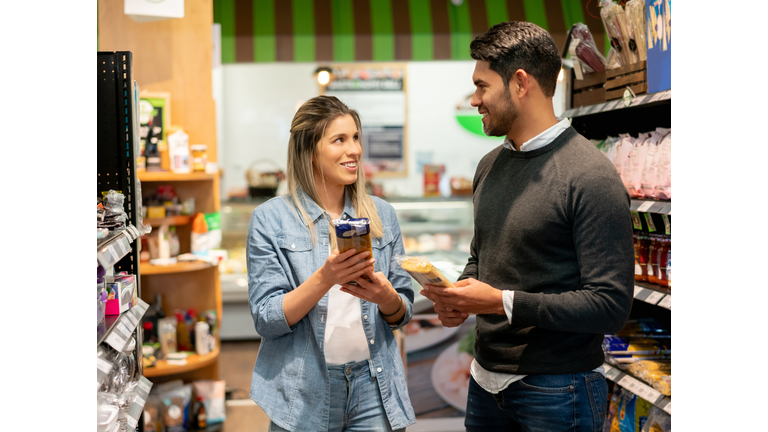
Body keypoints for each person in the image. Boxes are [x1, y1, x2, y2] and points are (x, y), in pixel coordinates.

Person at [420, 21, 634, 432]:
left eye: (482, 87)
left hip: (558, 390)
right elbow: (481, 257)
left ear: (520, 83)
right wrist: (459, 295)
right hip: (484, 381)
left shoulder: (590, 176)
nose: (475, 101)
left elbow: (610, 306)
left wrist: (499, 302)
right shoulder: (490, 166)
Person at [246, 95, 416, 432]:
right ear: (309, 150)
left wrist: (387, 298)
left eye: (355, 138)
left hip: (374, 387)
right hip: (301, 389)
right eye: (339, 140)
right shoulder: (270, 219)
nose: (354, 150)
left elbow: (403, 312)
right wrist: (324, 278)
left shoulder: (381, 215)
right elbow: (266, 318)